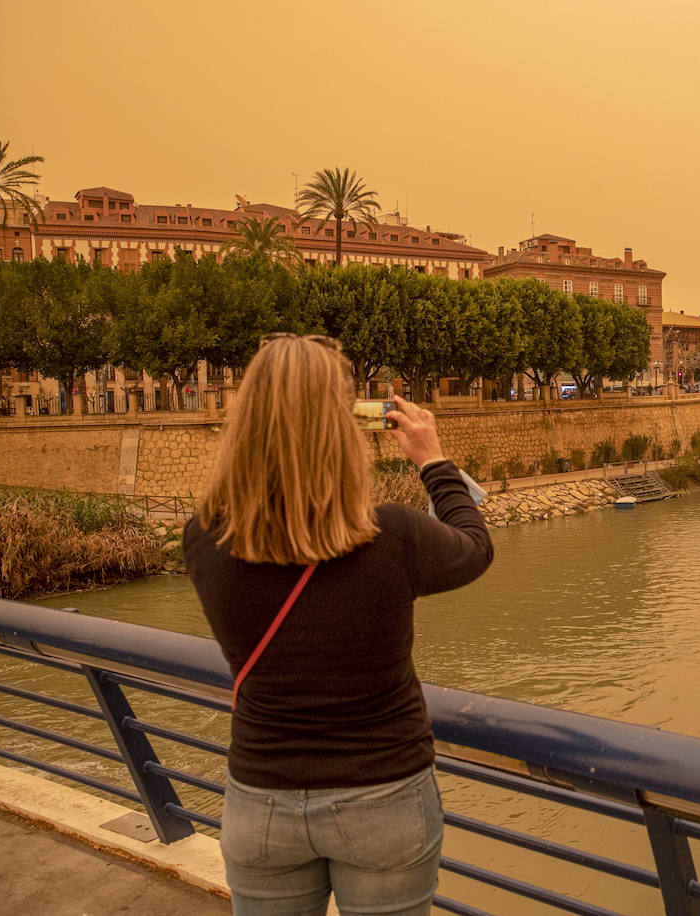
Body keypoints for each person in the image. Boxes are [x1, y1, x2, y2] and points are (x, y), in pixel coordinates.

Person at [184, 334, 492, 915]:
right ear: (344, 426)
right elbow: (474, 548)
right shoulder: (392, 536)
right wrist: (433, 460)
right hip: (385, 796)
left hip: (261, 801)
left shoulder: (206, 538)